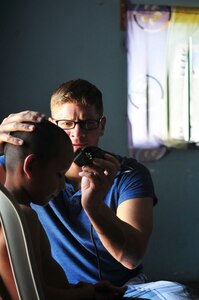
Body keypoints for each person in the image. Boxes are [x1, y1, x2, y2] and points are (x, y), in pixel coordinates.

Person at [0, 79, 192, 299]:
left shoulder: (129, 174)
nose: (78, 134)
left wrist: (93, 205)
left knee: (177, 294)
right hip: (69, 292)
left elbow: (131, 258)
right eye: (66, 124)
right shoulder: (24, 172)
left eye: (88, 123)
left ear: (102, 125)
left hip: (122, 288)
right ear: (53, 125)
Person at [0, 119, 125, 300]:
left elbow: (36, 283)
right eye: (59, 175)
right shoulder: (22, 217)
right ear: (31, 166)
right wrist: (88, 293)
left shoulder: (11, 210)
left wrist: (84, 289)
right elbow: (30, 295)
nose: (61, 186)